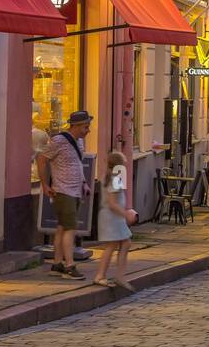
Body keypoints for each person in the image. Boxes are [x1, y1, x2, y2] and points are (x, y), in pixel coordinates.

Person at [37, 110, 93, 280]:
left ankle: (57, 264)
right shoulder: (58, 141)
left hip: (75, 190)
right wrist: (45, 184)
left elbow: (77, 163)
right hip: (62, 190)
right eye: (85, 127)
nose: (88, 130)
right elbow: (41, 159)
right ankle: (70, 266)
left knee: (62, 228)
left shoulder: (80, 142)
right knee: (70, 228)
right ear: (75, 126)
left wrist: (84, 183)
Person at [93, 151, 137, 288]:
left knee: (125, 243)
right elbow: (112, 203)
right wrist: (126, 214)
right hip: (112, 217)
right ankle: (102, 275)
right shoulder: (114, 179)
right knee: (112, 246)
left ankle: (119, 275)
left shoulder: (109, 177)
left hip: (112, 217)